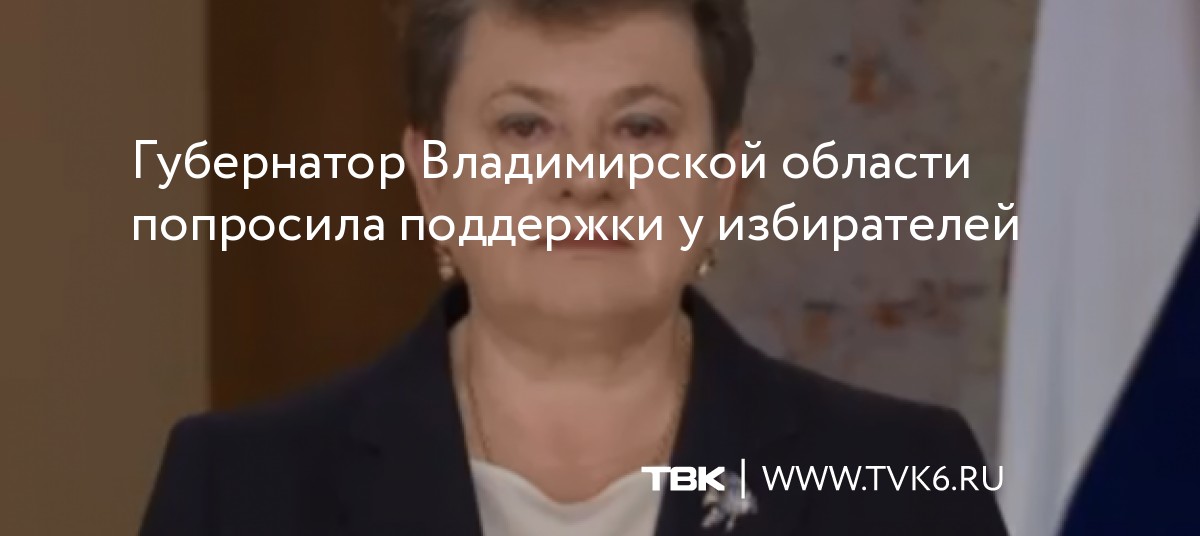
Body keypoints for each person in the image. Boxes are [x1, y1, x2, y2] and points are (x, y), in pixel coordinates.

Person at [141, 0, 1008, 534]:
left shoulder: (907, 481)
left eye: (641, 127)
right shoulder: (239, 489)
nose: (586, 177)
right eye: (525, 126)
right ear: (432, 176)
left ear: (725, 180)